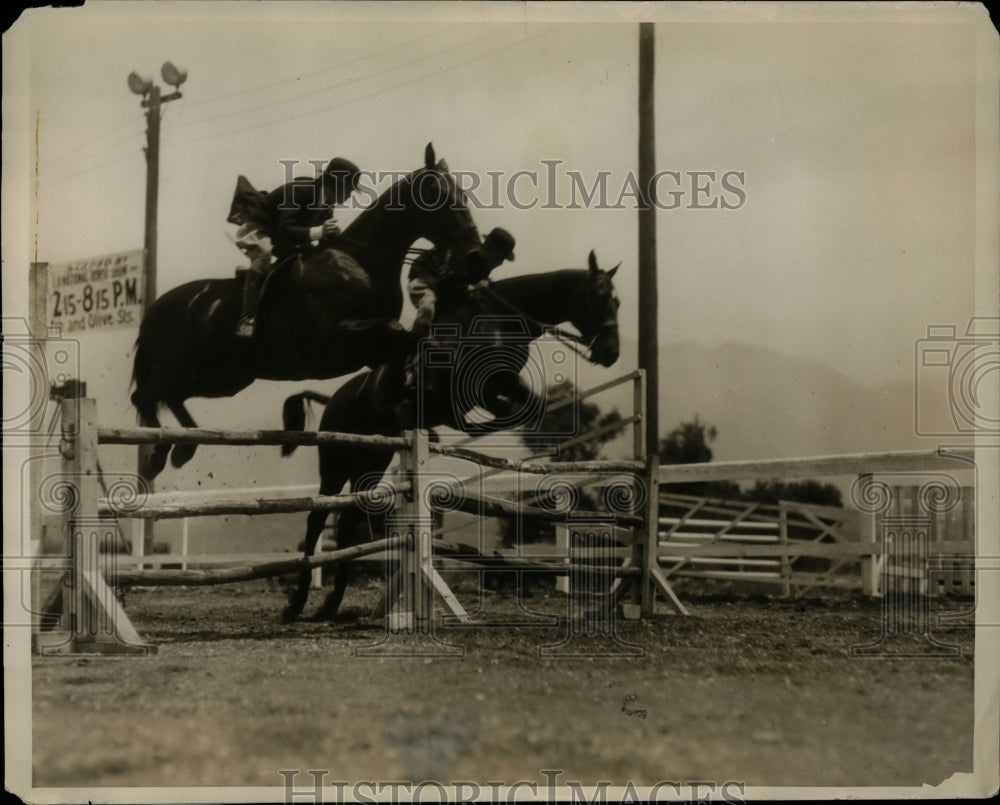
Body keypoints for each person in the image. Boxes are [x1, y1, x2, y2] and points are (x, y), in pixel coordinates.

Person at [227, 157, 361, 338]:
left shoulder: (327, 206)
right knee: (264, 253)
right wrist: (320, 231)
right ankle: (247, 318)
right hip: (260, 224)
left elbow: (315, 239)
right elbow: (285, 227)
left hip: (283, 236)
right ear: (335, 185)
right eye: (348, 190)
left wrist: (334, 238)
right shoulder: (300, 191)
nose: (349, 195)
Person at [397, 227, 516, 426]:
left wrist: (485, 285)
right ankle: (410, 360)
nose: (502, 261)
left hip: (444, 289)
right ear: (488, 248)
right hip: (423, 279)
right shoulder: (467, 254)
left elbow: (465, 287)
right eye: (501, 256)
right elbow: (445, 285)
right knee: (428, 309)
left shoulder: (483, 264)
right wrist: (468, 288)